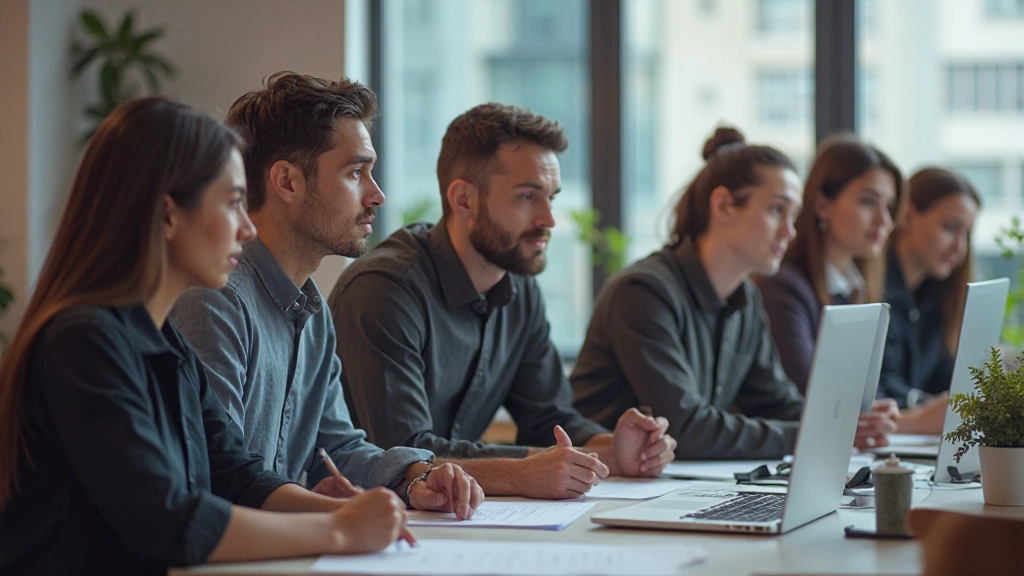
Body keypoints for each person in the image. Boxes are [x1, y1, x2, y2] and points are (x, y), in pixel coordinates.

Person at [0, 98, 410, 576]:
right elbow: (172, 520)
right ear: (169, 215)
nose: (246, 226)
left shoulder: (162, 341)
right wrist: (339, 532)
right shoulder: (81, 342)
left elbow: (237, 475)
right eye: (234, 202)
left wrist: (346, 512)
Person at [169, 73, 482, 520]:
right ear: (287, 182)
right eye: (356, 172)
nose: (377, 195)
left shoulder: (311, 312)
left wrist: (417, 476)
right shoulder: (214, 300)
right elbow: (221, 477)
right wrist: (329, 516)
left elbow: (334, 447)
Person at [330, 103, 677, 500]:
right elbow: (405, 452)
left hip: (452, 518)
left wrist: (613, 451)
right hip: (373, 520)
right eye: (528, 197)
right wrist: (521, 472)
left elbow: (548, 418)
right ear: (463, 199)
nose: (549, 219)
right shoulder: (384, 290)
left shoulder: (518, 287)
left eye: (551, 197)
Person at [571, 128, 897, 460]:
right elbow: (686, 429)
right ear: (724, 205)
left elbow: (777, 402)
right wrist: (818, 433)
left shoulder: (746, 298)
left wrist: (846, 424)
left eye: (794, 215)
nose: (790, 231)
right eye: (776, 210)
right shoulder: (643, 292)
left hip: (664, 484)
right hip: (599, 487)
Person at [758, 134, 904, 393]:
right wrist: (915, 420)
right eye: (868, 202)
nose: (884, 221)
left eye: (889, 207)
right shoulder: (783, 286)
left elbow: (865, 393)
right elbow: (814, 392)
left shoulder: (855, 288)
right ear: (823, 205)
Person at [879, 168, 980, 434]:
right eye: (950, 228)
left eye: (966, 235)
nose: (959, 247)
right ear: (908, 216)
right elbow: (877, 386)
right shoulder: (870, 290)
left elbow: (943, 379)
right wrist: (926, 407)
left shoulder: (938, 299)